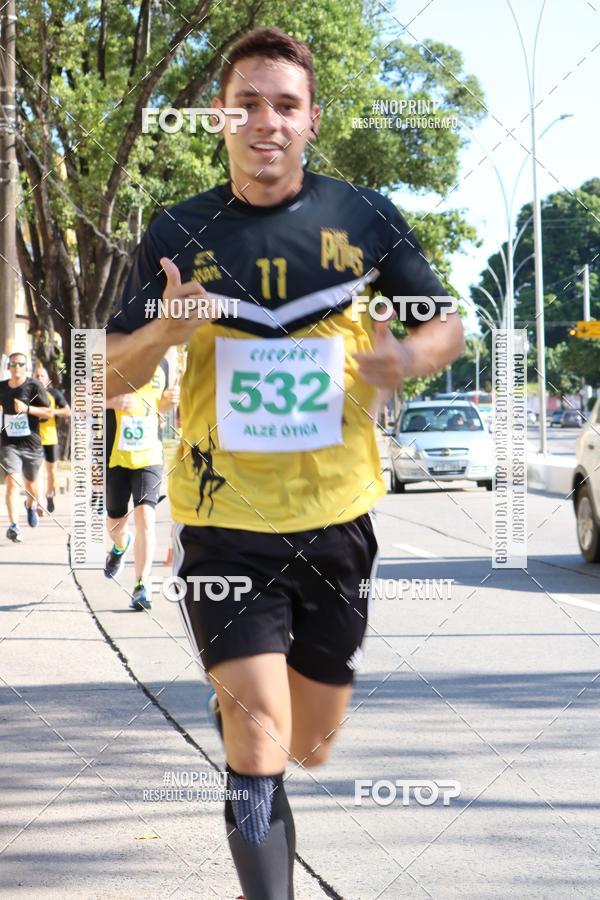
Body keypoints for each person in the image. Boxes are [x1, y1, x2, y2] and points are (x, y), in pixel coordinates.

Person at [105, 27, 464, 899]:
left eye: (285, 105)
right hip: (226, 525)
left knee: (310, 744)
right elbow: (107, 371)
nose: (266, 120)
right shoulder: (179, 230)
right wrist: (167, 330)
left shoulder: (363, 218)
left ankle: (250, 708)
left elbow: (444, 323)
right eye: (248, 104)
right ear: (223, 118)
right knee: (259, 743)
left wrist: (405, 361)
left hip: (337, 520)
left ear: (310, 122)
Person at [103, 361, 179, 610]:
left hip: (149, 455)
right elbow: (82, 397)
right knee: (115, 524)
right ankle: (120, 545)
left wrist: (171, 400)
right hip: (117, 456)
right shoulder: (114, 357)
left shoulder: (164, 365)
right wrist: (112, 403)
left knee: (145, 516)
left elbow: (161, 404)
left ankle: (141, 586)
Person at [0, 352, 52, 542]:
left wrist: (27, 409)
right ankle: (14, 526)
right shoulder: (2, 388)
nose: (16, 367)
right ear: (8, 367)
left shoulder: (34, 386)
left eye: (20, 364)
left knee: (31, 486)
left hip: (31, 444)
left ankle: (30, 505)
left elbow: (48, 413)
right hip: (9, 444)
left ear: (25, 366)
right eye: (13, 364)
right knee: (12, 481)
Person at [33, 364, 71, 513]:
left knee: (52, 473)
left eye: (43, 376)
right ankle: (39, 502)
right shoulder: (28, 393)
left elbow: (67, 411)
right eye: (37, 376)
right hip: (33, 439)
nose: (40, 378)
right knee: (37, 471)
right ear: (33, 378)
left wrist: (51, 411)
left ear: (48, 379)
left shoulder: (54, 393)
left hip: (50, 438)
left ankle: (49, 494)